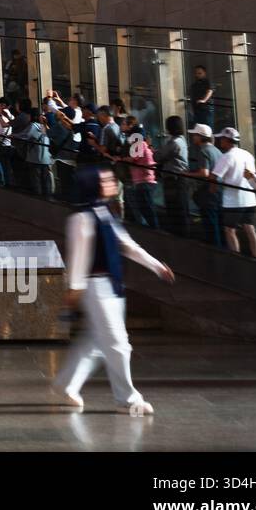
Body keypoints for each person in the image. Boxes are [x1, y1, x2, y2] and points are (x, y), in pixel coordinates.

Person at [50, 166, 175, 415]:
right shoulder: (81, 218)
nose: (111, 182)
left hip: (112, 286)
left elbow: (128, 246)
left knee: (96, 342)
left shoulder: (105, 213)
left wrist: (157, 266)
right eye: (105, 179)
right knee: (118, 343)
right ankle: (128, 399)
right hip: (95, 287)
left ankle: (66, 384)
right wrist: (73, 291)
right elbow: (79, 258)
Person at [212, 127, 256, 257]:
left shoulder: (226, 157)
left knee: (229, 230)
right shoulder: (247, 154)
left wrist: (212, 189)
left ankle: (236, 258)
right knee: (250, 229)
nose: (220, 141)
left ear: (227, 140)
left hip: (233, 201)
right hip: (250, 199)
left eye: (221, 138)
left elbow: (214, 177)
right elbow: (251, 175)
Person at [188, 64, 214, 128]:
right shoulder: (194, 85)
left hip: (206, 109)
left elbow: (210, 91)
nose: (197, 75)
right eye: (196, 73)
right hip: (196, 110)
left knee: (207, 129)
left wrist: (204, 100)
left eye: (199, 73)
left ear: (204, 73)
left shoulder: (208, 82)